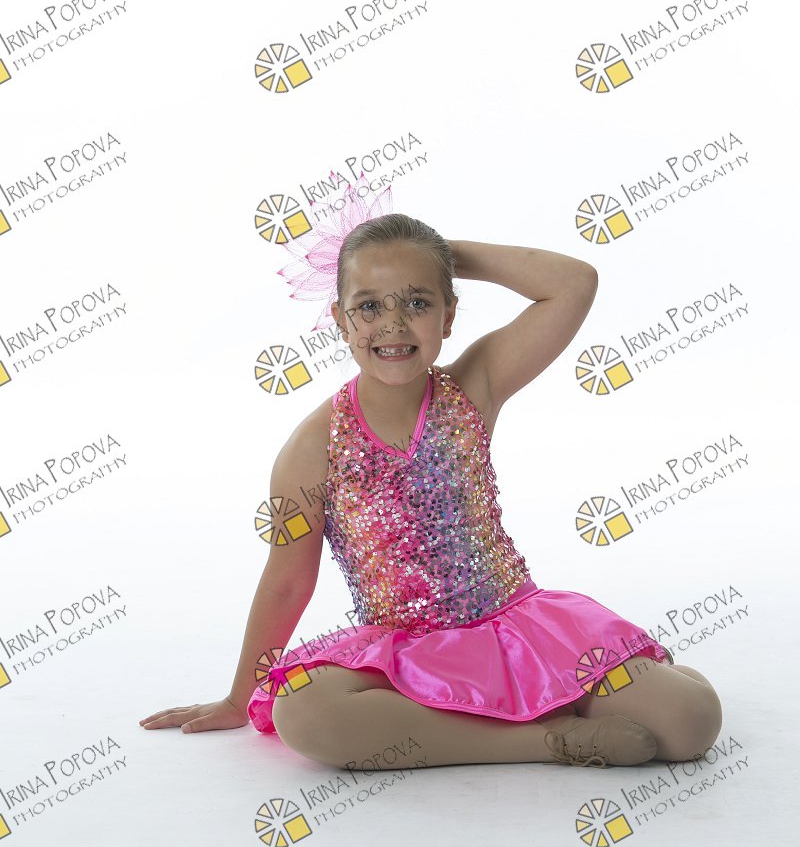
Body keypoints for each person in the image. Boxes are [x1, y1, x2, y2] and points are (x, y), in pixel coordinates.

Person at [140, 186, 723, 769]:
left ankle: (557, 694)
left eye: (417, 302)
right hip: (406, 657)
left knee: (691, 723)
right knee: (305, 711)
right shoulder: (311, 449)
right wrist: (238, 698)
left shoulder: (474, 386)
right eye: (369, 306)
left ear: (448, 316)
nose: (392, 324)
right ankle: (547, 739)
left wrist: (440, 255)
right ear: (340, 320)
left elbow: (574, 283)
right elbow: (288, 581)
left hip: (517, 629)